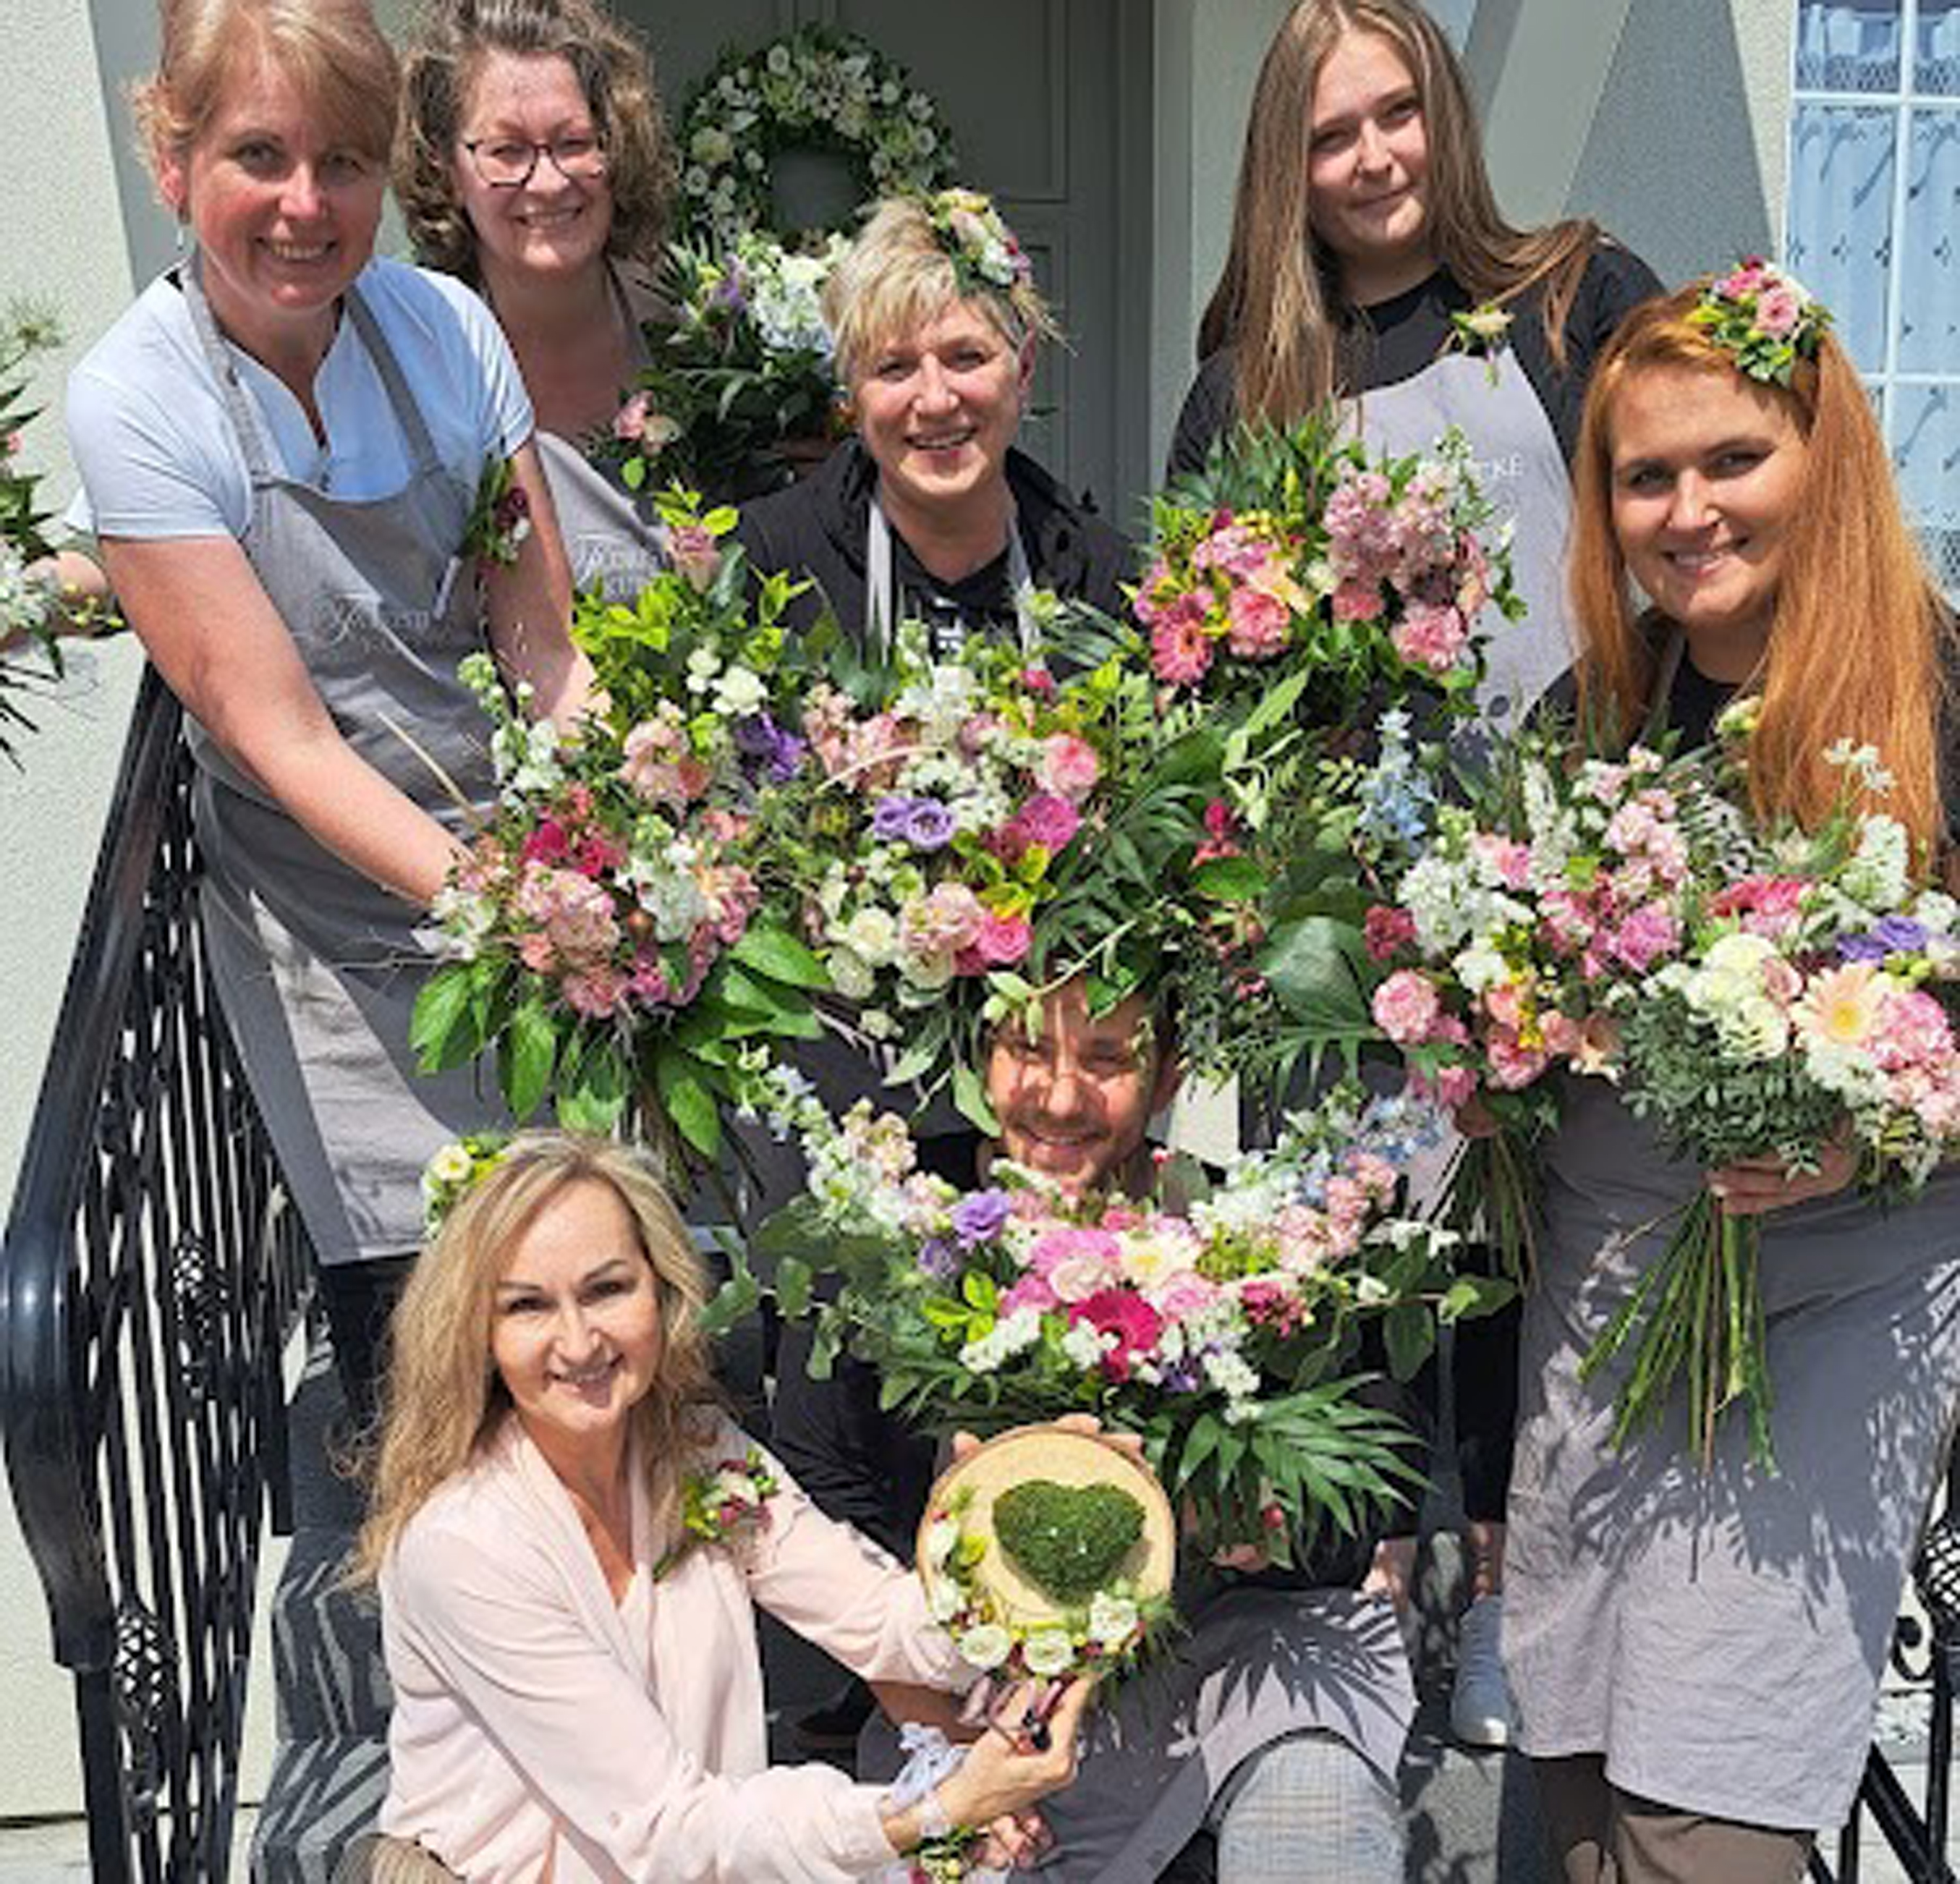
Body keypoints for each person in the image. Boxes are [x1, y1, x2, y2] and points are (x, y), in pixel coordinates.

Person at [1171, 0, 1663, 1741]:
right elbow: (1198, 670)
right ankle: (1387, 1593)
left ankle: (1524, 1599)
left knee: (1554, 1256)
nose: (1371, 159)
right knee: (1376, 1257)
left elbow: (1681, 525)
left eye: (1395, 116)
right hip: (1350, 911)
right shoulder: (1251, 380)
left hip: (1577, 883)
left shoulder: (1568, 298)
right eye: (1330, 132)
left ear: (1442, 116)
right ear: (1282, 164)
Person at [64, 0, 593, 1425]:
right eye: (259, 157)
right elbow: (281, 736)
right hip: (334, 946)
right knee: (425, 1366)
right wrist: (513, 908)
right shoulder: (137, 399)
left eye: (345, 163)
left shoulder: (445, 332)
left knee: (589, 1311)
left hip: (519, 883)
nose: (307, 206)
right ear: (170, 162)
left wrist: (610, 838)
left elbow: (538, 644)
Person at [1504, 271, 1960, 1883]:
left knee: (1712, 1800)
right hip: (1610, 1283)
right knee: (1576, 1758)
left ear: (1818, 455)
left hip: (1839, 1299)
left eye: (1731, 461)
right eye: (1645, 476)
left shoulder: (1932, 694)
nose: (1687, 510)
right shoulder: (1592, 719)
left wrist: (1881, 1123)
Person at [798, 977, 1417, 1883]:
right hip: (960, 1681)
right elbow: (822, 1486)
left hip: (1232, 1664)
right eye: (1025, 1050)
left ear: (1168, 1077)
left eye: (1106, 1060)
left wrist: (1245, 1526)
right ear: (978, 1057)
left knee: (1314, 1806)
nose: (1057, 1096)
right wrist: (942, 1660)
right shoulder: (900, 1217)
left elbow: (1357, 1496)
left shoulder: (1245, 1235)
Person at [347, 1131, 1087, 1881]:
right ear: (479, 1333)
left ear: (662, 1287)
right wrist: (932, 1811)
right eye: (528, 1306)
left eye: (607, 1289)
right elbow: (666, 1825)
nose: (578, 1342)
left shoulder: (701, 1452)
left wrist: (1011, 1531)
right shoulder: (465, 1545)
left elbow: (882, 1620)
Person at [734, 191, 1131, 655]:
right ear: (852, 397)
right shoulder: (763, 562)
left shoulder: (1103, 581)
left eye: (967, 358)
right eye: (894, 368)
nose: (936, 401)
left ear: (1023, 372)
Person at [396, 0, 678, 603]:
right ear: (446, 168)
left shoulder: (693, 336)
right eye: (507, 152)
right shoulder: (413, 368)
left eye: (574, 142)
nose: (548, 182)